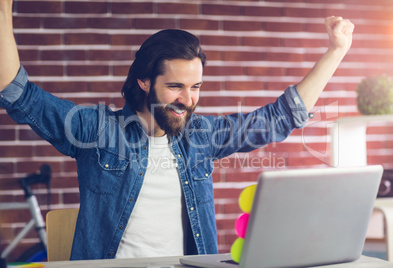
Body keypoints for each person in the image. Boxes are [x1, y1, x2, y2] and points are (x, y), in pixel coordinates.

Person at [0, 0, 354, 261]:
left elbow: (279, 118)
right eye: (175, 87)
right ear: (143, 81)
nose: (188, 99)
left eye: (196, 87)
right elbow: (19, 95)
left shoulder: (201, 135)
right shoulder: (98, 129)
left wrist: (336, 52)